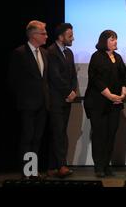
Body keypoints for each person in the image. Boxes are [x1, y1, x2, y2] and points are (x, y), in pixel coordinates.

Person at [84, 30, 126, 177]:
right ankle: (99, 166)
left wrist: (122, 94)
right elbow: (95, 79)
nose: (115, 42)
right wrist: (110, 96)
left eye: (116, 39)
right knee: (99, 135)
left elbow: (124, 77)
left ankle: (106, 164)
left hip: (115, 104)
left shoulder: (118, 57)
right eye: (112, 39)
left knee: (111, 134)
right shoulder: (97, 57)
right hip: (99, 104)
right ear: (104, 41)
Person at [8, 20, 49, 179]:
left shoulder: (44, 53)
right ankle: (27, 172)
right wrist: (25, 98)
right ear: (33, 35)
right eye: (43, 33)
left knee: (37, 138)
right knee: (27, 138)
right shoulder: (20, 53)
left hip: (43, 104)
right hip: (28, 104)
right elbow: (13, 80)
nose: (46, 36)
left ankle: (33, 170)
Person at [46, 23, 78, 178]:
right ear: (60, 37)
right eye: (70, 35)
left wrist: (74, 92)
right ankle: (61, 165)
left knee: (60, 132)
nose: (73, 38)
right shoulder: (51, 52)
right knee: (58, 133)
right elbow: (55, 76)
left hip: (67, 99)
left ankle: (53, 166)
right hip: (56, 99)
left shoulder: (69, 53)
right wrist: (67, 91)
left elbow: (73, 75)